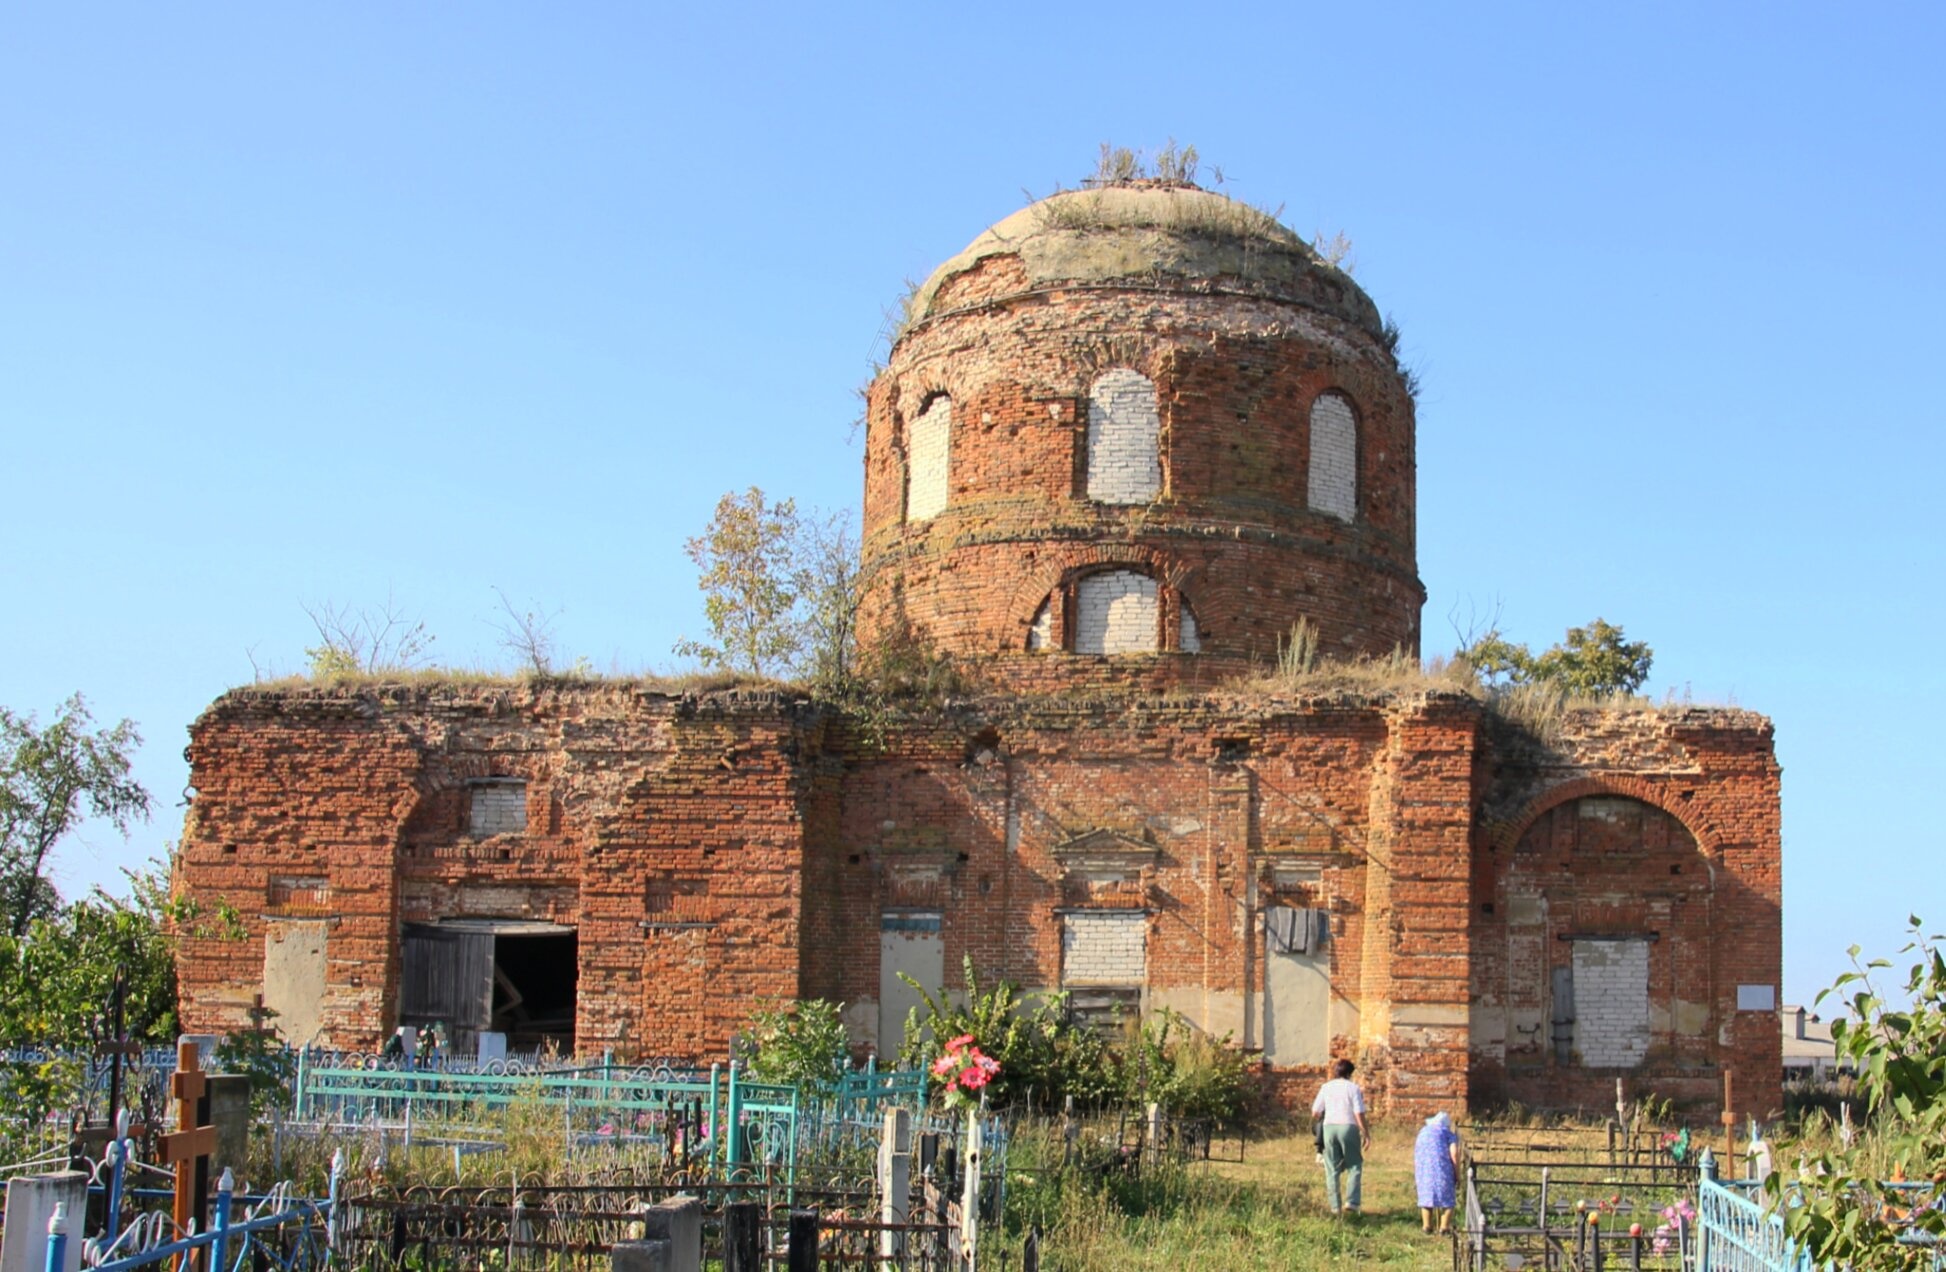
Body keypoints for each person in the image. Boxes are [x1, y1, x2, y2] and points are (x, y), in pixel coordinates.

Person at [1310, 1058, 1370, 1215]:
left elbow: (1315, 1111)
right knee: (1354, 1165)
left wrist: (1325, 1117)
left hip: (1329, 1128)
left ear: (1336, 1072)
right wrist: (1365, 1132)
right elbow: (1358, 1112)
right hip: (1348, 1127)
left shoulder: (1326, 1087)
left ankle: (1335, 1207)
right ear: (1350, 1073)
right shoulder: (1353, 1088)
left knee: (1331, 1168)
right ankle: (1352, 1202)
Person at [1414, 1109, 1462, 1233]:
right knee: (1447, 1200)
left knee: (1427, 1197)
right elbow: (1454, 1153)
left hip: (1424, 1169)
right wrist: (1458, 1174)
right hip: (1442, 1168)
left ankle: (1427, 1226)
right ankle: (1444, 1228)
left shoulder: (1423, 1131)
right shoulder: (1448, 1134)